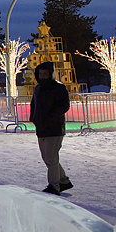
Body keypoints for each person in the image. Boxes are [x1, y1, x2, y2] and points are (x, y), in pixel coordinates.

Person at [29, 62, 73, 195]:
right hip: (41, 128)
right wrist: (34, 117)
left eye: (45, 74)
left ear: (51, 74)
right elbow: (34, 104)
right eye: (40, 74)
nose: (42, 76)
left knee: (51, 157)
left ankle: (54, 185)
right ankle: (63, 181)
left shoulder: (58, 88)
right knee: (48, 158)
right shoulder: (38, 88)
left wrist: (50, 116)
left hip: (54, 128)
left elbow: (64, 105)